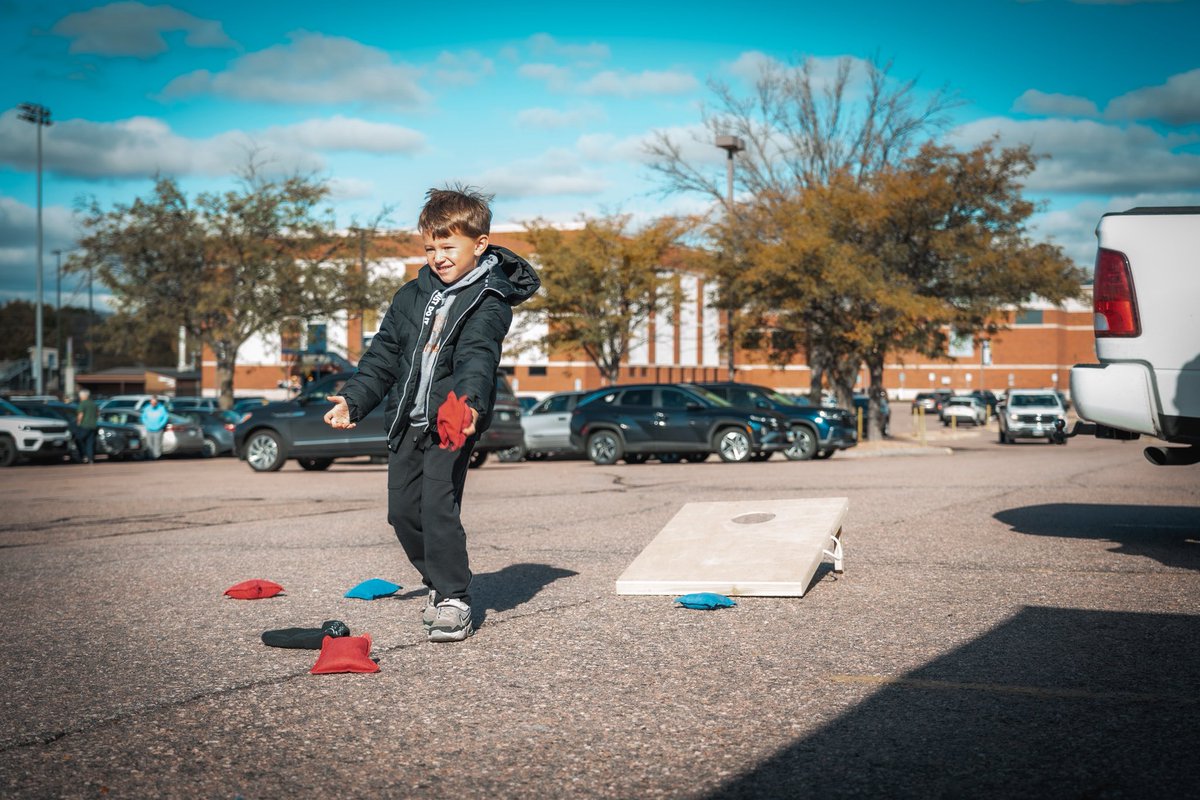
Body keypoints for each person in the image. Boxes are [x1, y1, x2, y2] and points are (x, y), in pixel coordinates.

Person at [323, 186, 540, 643]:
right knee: (402, 513)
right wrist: (353, 400)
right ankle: (438, 581)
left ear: (479, 244)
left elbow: (477, 356)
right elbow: (383, 357)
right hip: (408, 421)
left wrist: (469, 404)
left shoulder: (489, 299)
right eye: (430, 248)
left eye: (448, 247)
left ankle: (454, 597)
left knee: (438, 506)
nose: (438, 257)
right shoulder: (410, 295)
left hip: (451, 421)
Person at [75, 388, 99, 464]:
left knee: (78, 439)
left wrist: (78, 423)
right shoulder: (93, 404)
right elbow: (98, 414)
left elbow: (80, 415)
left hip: (84, 426)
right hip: (93, 426)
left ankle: (84, 455)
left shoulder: (82, 404)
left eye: (80, 396)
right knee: (90, 442)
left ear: (83, 396)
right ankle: (90, 458)